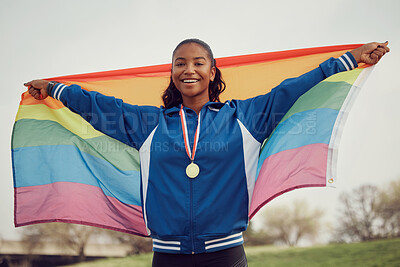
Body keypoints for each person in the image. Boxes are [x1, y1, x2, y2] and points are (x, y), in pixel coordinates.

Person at [25, 39, 389, 267]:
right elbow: (98, 106)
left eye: (198, 62)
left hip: (226, 255)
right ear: (171, 73)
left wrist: (348, 59)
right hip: (166, 256)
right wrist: (55, 88)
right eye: (180, 63)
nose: (189, 69)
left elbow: (293, 89)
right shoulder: (149, 123)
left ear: (212, 71)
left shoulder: (245, 117)